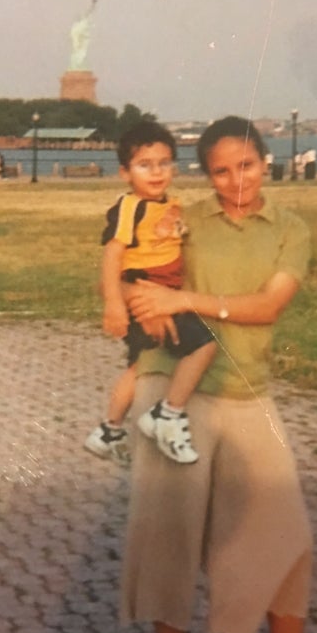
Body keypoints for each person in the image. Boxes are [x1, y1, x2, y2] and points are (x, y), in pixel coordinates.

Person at [121, 116, 317, 633]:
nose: (237, 181)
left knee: (290, 540)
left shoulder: (290, 229)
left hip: (247, 393)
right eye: (222, 170)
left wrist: (189, 303)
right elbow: (136, 277)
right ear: (206, 175)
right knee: (170, 538)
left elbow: (268, 306)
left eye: (248, 166)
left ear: (266, 163)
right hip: (173, 387)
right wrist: (145, 298)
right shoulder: (184, 220)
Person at [85, 122, 217, 465]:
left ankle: (109, 430)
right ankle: (168, 415)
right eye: (145, 165)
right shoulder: (130, 206)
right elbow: (113, 255)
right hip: (145, 289)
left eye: (164, 163)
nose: (156, 172)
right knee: (204, 346)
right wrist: (115, 304)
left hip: (166, 292)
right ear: (125, 174)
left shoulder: (168, 203)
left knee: (138, 366)